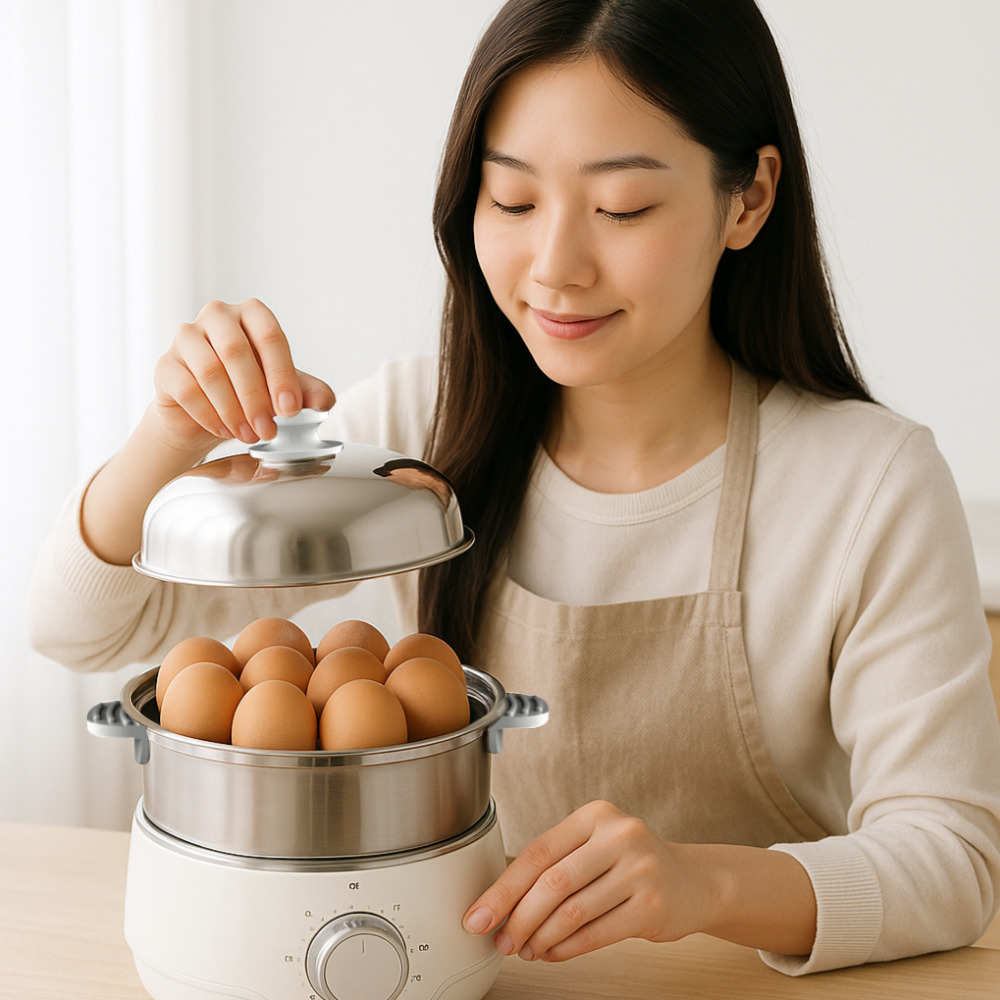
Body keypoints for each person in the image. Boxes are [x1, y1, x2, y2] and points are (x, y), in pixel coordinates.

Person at [27, 0, 1000, 978]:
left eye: (622, 208)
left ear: (746, 199)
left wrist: (708, 884)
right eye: (513, 202)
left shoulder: (867, 483)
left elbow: (954, 859)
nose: (555, 268)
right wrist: (168, 437)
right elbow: (84, 632)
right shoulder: (424, 429)